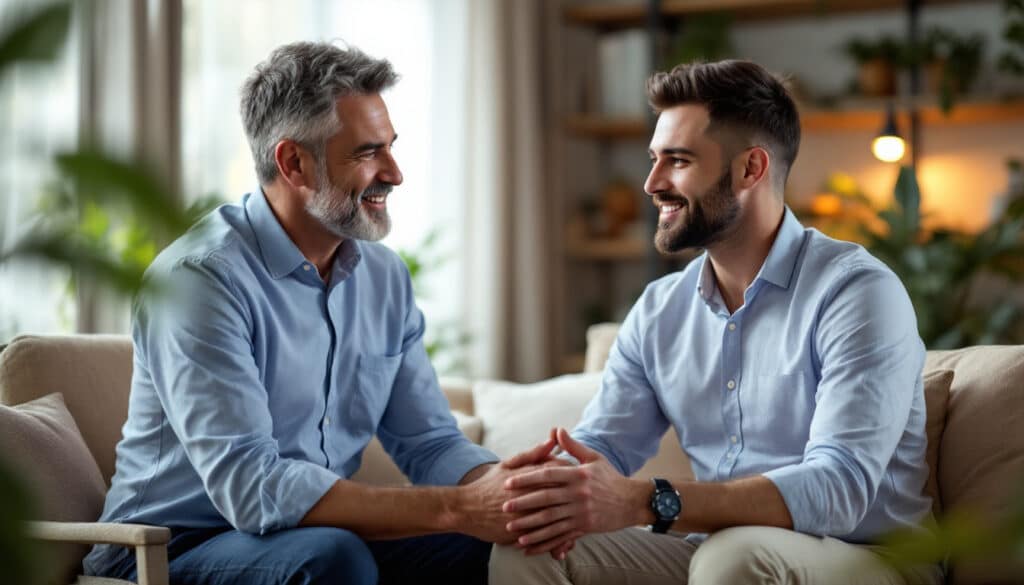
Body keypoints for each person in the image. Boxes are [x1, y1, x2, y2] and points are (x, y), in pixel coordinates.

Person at [83, 41, 551, 585]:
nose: (395, 173)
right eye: (367, 152)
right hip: (169, 549)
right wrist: (458, 508)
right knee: (334, 558)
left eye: (391, 147)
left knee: (489, 546)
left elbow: (429, 442)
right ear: (293, 162)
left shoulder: (384, 278)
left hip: (309, 536)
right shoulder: (199, 280)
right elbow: (252, 487)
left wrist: (513, 493)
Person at [489, 60, 943, 585]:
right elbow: (604, 446)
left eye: (677, 161)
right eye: (654, 159)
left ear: (751, 168)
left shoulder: (856, 292)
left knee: (733, 559)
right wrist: (541, 493)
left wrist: (647, 500)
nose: (651, 183)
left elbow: (839, 488)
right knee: (530, 548)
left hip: (868, 558)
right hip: (714, 553)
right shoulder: (660, 308)